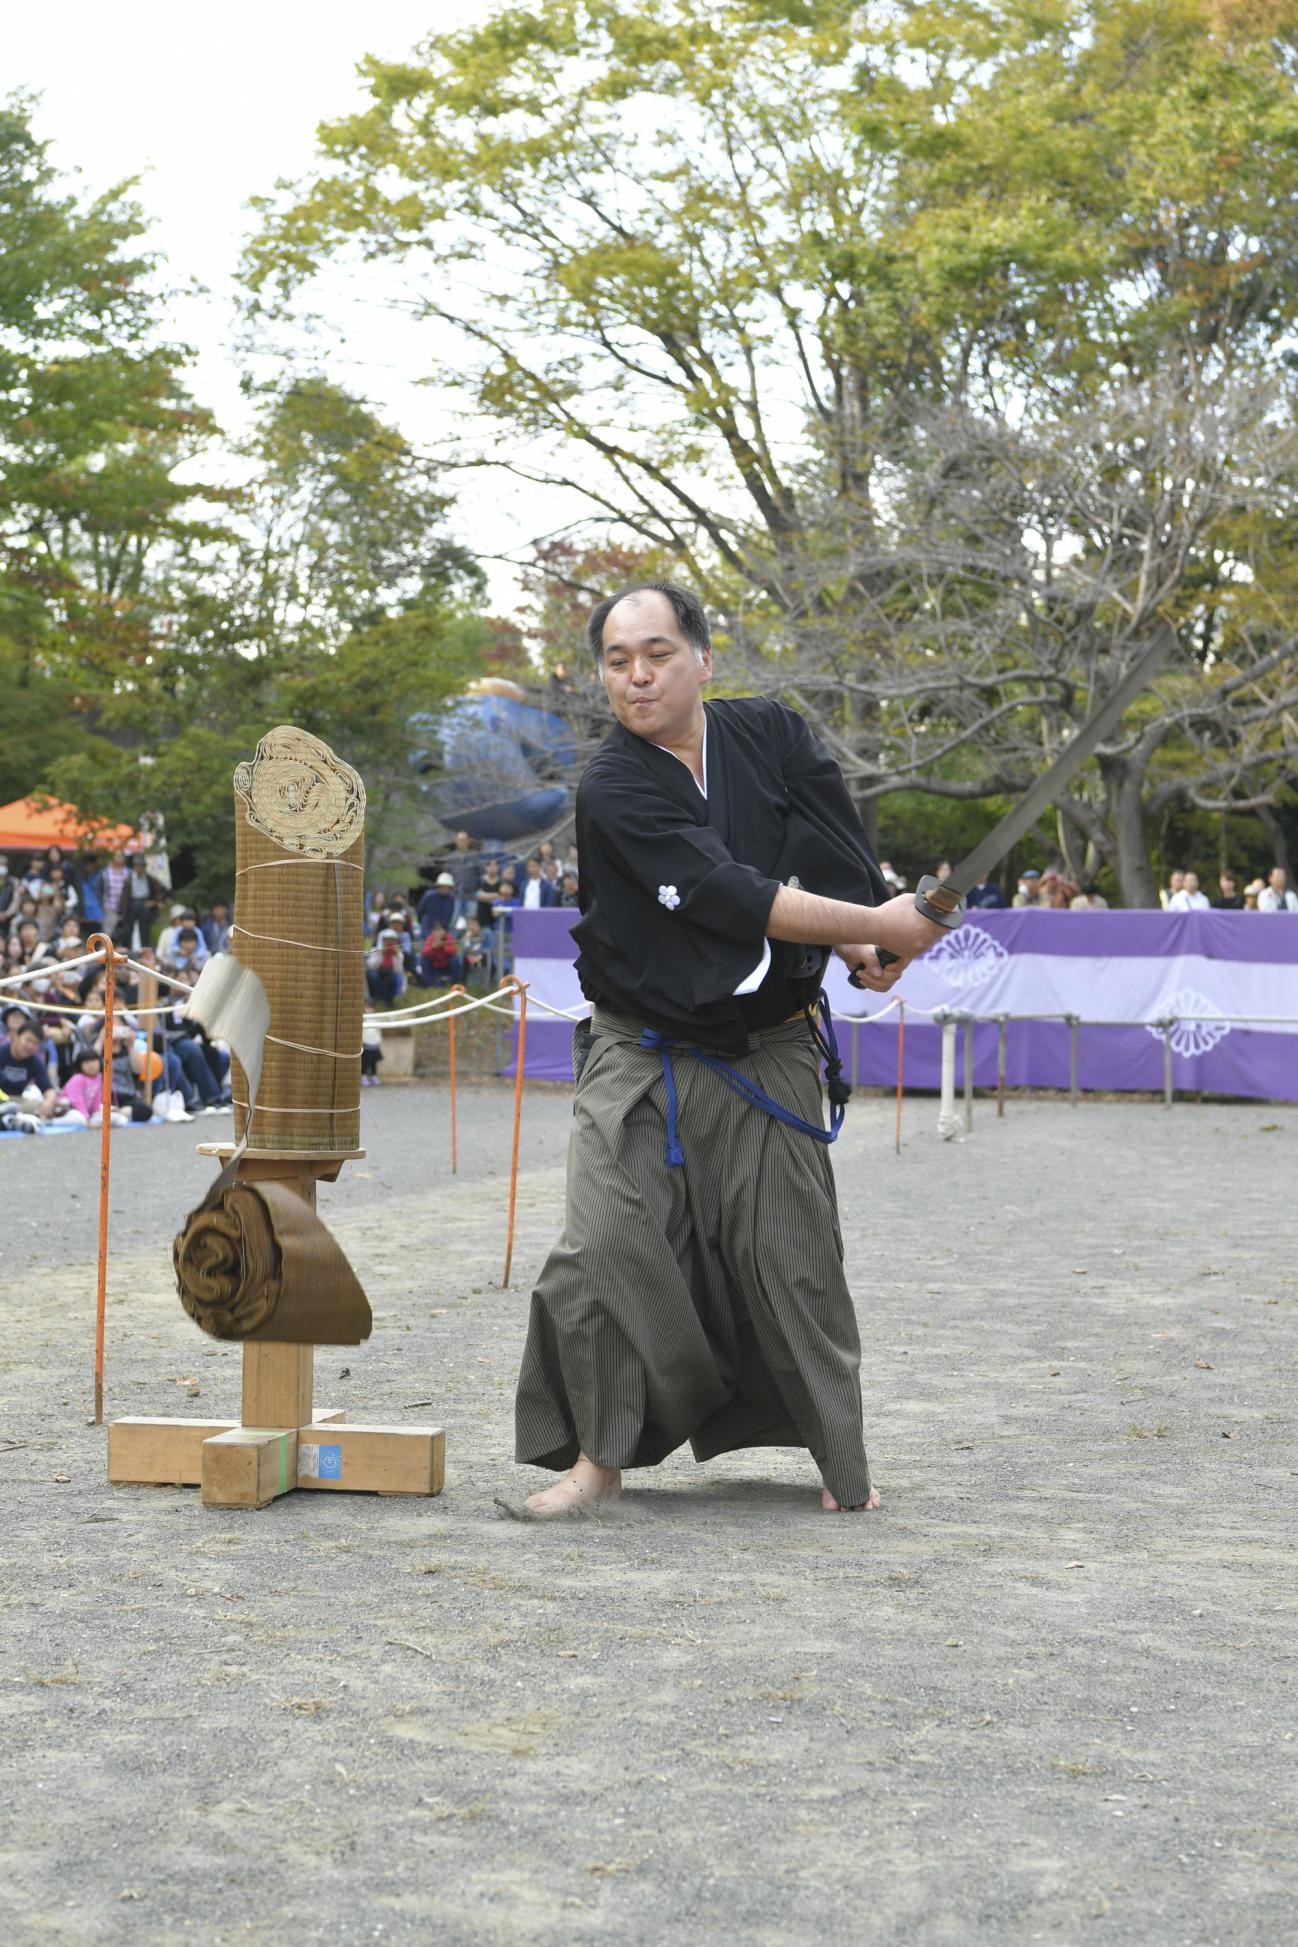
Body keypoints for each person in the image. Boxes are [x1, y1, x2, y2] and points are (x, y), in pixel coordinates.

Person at [512, 581, 944, 1520]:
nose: (637, 676)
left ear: (703, 659)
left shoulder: (773, 736)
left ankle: (842, 1463)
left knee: (793, 1255)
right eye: (618, 660)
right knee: (601, 1244)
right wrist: (877, 921)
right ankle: (596, 1465)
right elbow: (733, 893)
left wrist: (864, 939)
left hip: (771, 1046)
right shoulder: (615, 784)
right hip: (641, 1049)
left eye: (657, 653)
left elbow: (832, 847)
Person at [0, 1020, 59, 1119]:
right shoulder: (2, 1052)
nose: (30, 1046)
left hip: (16, 1102)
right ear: (16, 1037)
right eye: (28, 1040)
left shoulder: (35, 1062)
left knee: (40, 1106)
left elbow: (49, 1090)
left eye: (35, 1043)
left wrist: (48, 1104)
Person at [361, 1002, 384, 1086]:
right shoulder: (363, 1019)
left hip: (374, 1044)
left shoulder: (376, 1019)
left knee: (373, 1063)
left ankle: (374, 1077)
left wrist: (379, 1041)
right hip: (366, 1045)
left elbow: (378, 1031)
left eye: (370, 1007)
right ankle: (363, 1077)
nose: (369, 1009)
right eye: (367, 1007)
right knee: (364, 1063)